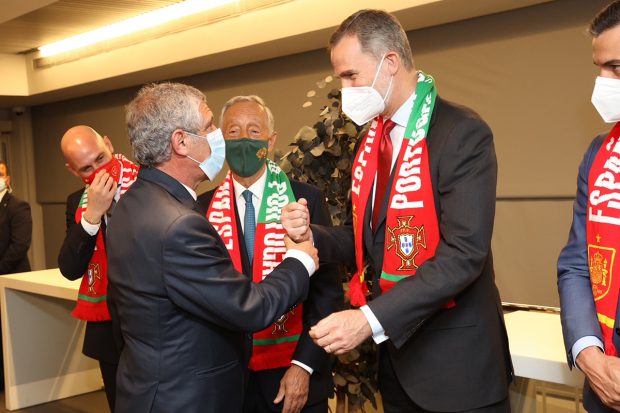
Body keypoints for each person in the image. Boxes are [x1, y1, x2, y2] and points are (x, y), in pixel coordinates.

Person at [281, 9, 512, 413]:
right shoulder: (371, 142)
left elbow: (463, 255)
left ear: (390, 62)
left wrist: (367, 320)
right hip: (398, 364)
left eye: (350, 75)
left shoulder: (460, 133)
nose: (344, 87)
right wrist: (313, 234)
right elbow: (370, 240)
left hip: (457, 367)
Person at [106, 82, 319, 413]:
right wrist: (300, 259)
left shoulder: (130, 205)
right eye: (209, 126)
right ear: (180, 142)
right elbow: (250, 307)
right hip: (186, 398)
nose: (219, 135)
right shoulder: (180, 224)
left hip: (148, 387)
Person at [199, 95, 342, 413]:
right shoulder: (200, 209)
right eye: (233, 132)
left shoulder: (306, 200)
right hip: (228, 378)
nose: (243, 141)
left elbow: (327, 293)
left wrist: (304, 366)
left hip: (293, 370)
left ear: (271, 138)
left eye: (254, 131)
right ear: (221, 141)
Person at [558, 2, 620, 412]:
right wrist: (587, 353)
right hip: (603, 386)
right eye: (599, 67)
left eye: (616, 67)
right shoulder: (599, 154)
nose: (603, 81)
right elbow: (577, 263)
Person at [57, 125, 139, 412]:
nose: (97, 171)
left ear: (108, 143)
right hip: (106, 326)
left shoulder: (147, 186)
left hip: (148, 322)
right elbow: (69, 268)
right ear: (73, 170)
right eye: (85, 168)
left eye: (100, 159)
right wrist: (92, 215)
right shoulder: (76, 203)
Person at [0, 160, 32, 275]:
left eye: (0, 174)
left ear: (7, 180)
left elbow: (20, 246)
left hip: (12, 276)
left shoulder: (18, 206)